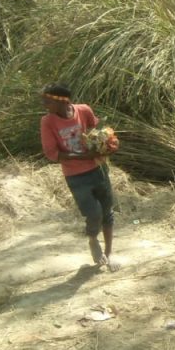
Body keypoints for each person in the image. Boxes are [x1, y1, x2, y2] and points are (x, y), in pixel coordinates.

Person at [39, 83, 117, 272]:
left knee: (107, 211)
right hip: (75, 176)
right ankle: (92, 238)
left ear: (62, 101)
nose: (43, 104)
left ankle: (109, 254)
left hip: (98, 169)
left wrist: (107, 144)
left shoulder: (84, 110)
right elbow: (52, 154)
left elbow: (95, 134)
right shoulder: (47, 122)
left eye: (47, 100)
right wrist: (84, 157)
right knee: (93, 213)